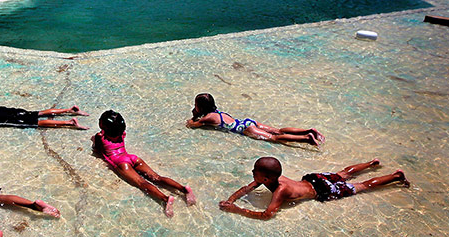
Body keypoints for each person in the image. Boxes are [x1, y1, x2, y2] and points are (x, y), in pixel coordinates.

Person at [218, 156, 409, 220]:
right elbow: (245, 189)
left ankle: (395, 176)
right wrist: (231, 199)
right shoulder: (270, 178)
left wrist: (238, 210)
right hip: (313, 179)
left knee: (363, 186)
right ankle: (370, 162)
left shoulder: (280, 190)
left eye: (254, 171)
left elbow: (268, 214)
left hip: (322, 190)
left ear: (265, 178)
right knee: (343, 173)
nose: (252, 173)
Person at [92, 110, 196, 217]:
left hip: (121, 163)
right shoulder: (122, 134)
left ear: (101, 124)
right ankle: (184, 189)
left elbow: (97, 150)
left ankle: (166, 199)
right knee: (157, 177)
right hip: (132, 158)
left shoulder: (99, 137)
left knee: (142, 183)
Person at [186, 93, 324, 146]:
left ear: (200, 107)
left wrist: (194, 114)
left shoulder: (208, 118)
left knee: (274, 138)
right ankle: (309, 130)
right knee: (278, 130)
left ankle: (306, 138)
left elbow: (190, 125)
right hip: (246, 122)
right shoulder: (217, 112)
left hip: (245, 129)